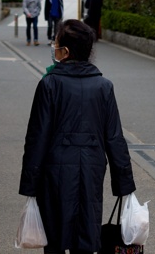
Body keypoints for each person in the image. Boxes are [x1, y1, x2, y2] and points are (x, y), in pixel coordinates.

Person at [19, 19, 136, 254]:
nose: (54, 48)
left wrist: (30, 185)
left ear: (66, 51)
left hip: (54, 173)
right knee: (86, 231)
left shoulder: (49, 85)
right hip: (91, 170)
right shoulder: (104, 86)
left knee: (54, 234)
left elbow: (37, 138)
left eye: (57, 44)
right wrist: (125, 184)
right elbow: (114, 138)